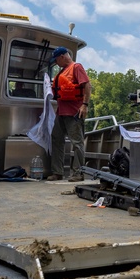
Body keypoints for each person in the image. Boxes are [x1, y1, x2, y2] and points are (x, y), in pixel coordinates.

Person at [46, 46, 91, 182]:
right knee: (56, 138)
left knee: (77, 142)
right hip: (61, 112)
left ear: (62, 57)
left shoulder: (76, 67)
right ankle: (57, 172)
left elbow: (87, 86)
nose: (56, 63)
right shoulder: (61, 72)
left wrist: (85, 105)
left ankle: (78, 173)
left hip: (74, 112)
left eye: (56, 60)